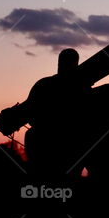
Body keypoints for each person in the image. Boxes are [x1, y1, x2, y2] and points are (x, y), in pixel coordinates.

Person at [23, 48, 87, 179]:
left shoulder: (42, 85)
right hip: (71, 147)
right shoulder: (82, 88)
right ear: (77, 64)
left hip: (42, 147)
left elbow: (29, 115)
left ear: (59, 63)